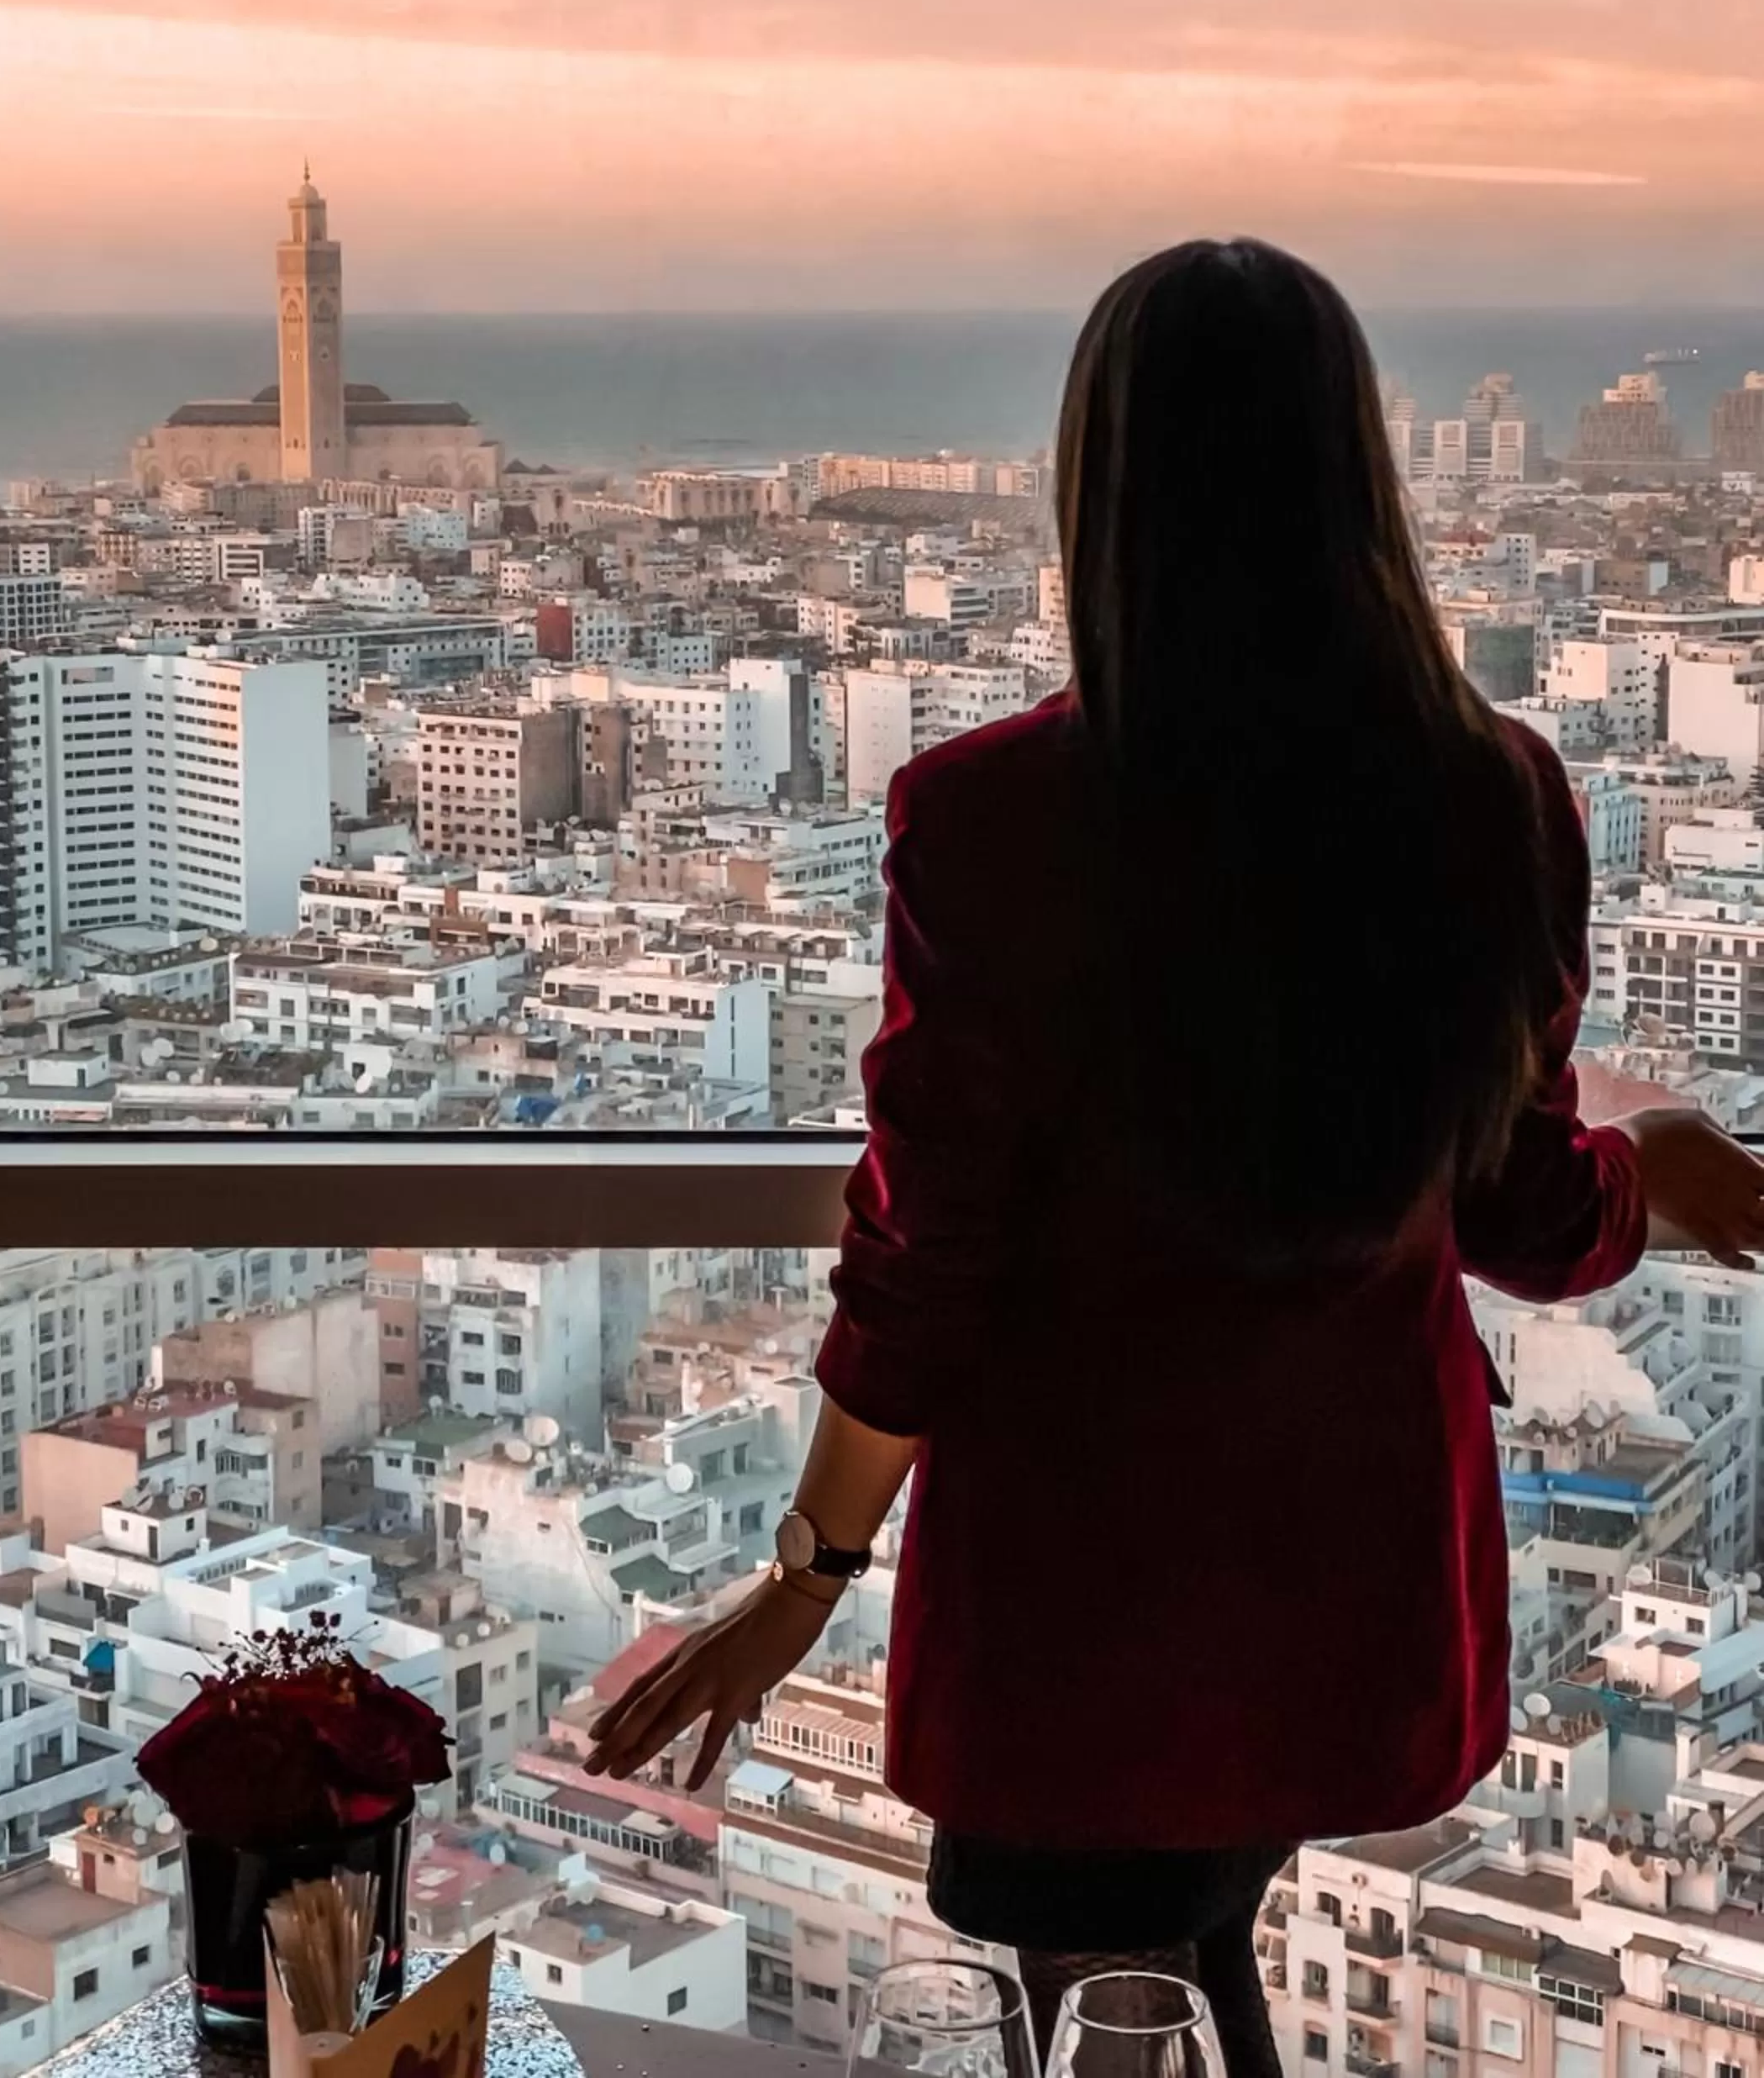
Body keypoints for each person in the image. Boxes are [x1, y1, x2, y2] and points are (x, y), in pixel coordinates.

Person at [584, 240, 1764, 2073]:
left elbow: (923, 1275)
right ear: (1361, 481)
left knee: (1113, 2015)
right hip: (1357, 1586)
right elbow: (1523, 1218)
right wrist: (1657, 1161)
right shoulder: (1489, 796)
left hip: (1089, 1607)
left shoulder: (990, 828)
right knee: (1180, 1988)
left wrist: (801, 1581)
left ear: (1098, 491)